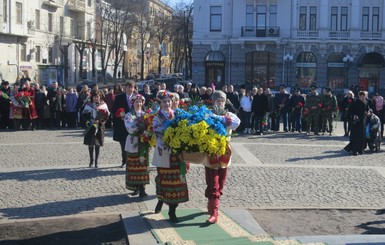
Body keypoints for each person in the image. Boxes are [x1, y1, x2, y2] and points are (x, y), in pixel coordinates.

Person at [204, 90, 240, 223]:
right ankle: (214, 212)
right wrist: (221, 119)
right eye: (218, 100)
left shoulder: (229, 114)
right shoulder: (208, 113)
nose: (220, 103)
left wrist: (225, 119)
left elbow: (236, 123)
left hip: (225, 154)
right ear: (213, 101)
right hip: (211, 153)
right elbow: (206, 120)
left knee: (221, 183)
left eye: (222, 101)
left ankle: (211, 202)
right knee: (213, 182)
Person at [152, 90, 189, 223]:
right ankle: (161, 199)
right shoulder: (157, 117)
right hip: (165, 153)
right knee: (163, 180)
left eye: (168, 101)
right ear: (160, 103)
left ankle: (172, 211)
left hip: (177, 154)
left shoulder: (177, 114)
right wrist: (170, 147)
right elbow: (158, 136)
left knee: (177, 182)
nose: (167, 103)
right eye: (164, 101)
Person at [123, 94, 149, 198]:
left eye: (140, 102)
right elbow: (130, 128)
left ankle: (142, 188)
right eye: (136, 102)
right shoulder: (129, 115)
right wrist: (140, 125)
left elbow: (150, 126)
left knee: (143, 165)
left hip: (144, 142)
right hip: (133, 141)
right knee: (133, 165)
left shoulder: (146, 114)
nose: (138, 104)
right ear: (132, 103)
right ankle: (135, 187)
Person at [82, 90, 110, 167]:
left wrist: (100, 121)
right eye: (94, 97)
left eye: (97, 97)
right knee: (90, 144)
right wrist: (90, 120)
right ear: (92, 97)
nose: (96, 98)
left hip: (99, 127)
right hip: (90, 126)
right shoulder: (88, 105)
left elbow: (106, 116)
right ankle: (91, 160)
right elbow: (84, 115)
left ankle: (96, 161)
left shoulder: (103, 105)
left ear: (99, 97)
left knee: (97, 144)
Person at [112, 81, 136, 167]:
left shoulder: (137, 97)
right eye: (128, 87)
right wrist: (119, 116)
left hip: (134, 124)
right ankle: (124, 160)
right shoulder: (119, 97)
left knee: (134, 142)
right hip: (122, 124)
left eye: (132, 87)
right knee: (123, 143)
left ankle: (132, 160)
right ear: (125, 88)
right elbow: (114, 109)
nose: (130, 89)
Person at [344, 91, 369, 155]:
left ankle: (361, 149)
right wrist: (354, 115)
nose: (363, 98)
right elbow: (350, 110)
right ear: (359, 96)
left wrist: (368, 112)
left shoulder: (366, 102)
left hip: (363, 120)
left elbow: (367, 109)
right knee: (355, 136)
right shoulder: (354, 102)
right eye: (362, 97)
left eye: (364, 97)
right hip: (356, 121)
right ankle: (354, 150)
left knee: (362, 136)